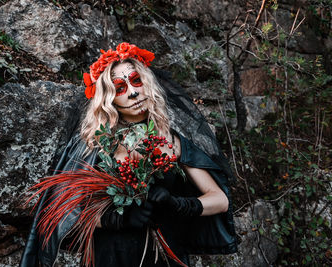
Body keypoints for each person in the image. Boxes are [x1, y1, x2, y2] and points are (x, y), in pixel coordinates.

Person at [20, 43, 237, 267]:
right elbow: (66, 213)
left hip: (165, 255)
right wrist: (116, 220)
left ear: (147, 83)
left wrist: (178, 204)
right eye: (120, 88)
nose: (133, 92)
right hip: (111, 256)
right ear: (108, 97)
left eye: (136, 80)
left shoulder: (170, 140)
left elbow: (220, 200)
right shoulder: (94, 145)